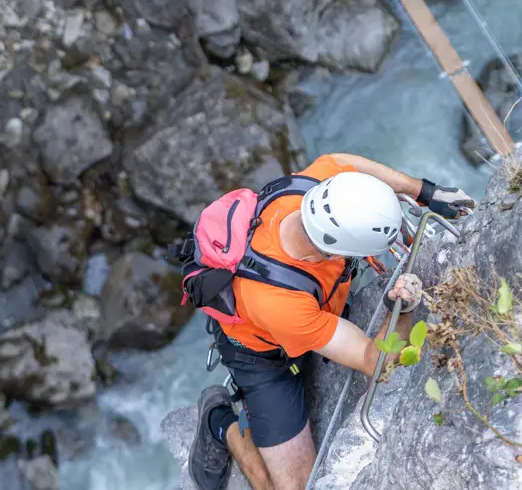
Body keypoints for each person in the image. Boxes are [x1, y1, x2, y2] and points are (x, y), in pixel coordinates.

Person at [187, 153, 475, 490]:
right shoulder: (280, 303)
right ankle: (220, 422)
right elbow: (376, 362)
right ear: (335, 252)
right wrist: (403, 308)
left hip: (304, 307)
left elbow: (344, 162)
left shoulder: (318, 187)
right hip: (261, 358)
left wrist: (424, 191)